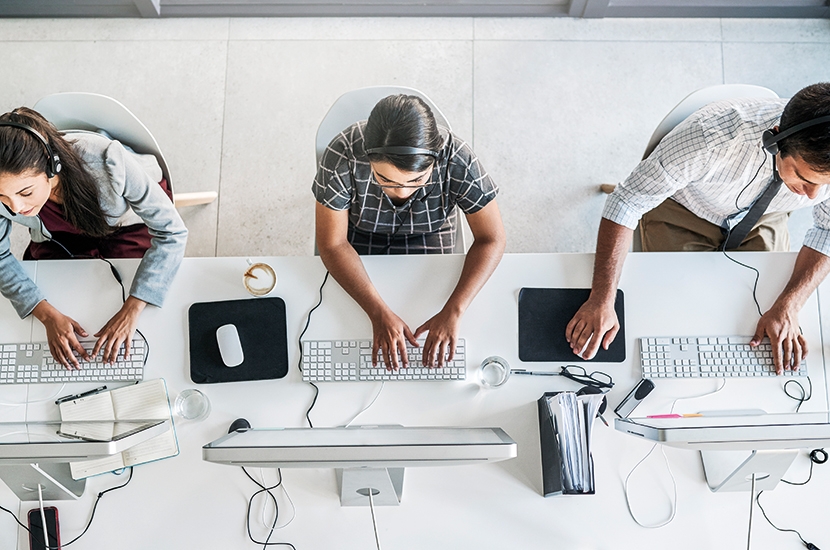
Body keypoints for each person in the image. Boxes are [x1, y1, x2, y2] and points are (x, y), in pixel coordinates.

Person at [566, 82, 830, 374]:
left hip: (766, 216)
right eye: (804, 178)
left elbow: (827, 230)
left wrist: (790, 305)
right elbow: (627, 203)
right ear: (775, 141)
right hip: (687, 208)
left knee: (755, 317)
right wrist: (601, 299)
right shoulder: (709, 138)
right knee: (678, 312)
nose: (812, 196)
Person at [314, 94, 505, 370]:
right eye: (385, 179)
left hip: (430, 234)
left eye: (417, 180)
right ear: (367, 157)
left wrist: (454, 309)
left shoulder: (457, 157)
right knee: (346, 324)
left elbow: (493, 238)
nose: (401, 192)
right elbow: (332, 244)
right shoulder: (342, 154)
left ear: (436, 157)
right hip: (357, 236)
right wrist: (377, 313)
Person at [0, 107, 188, 368]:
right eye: (2, 198)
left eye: (26, 192)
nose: (16, 208)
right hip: (59, 234)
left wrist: (132, 309)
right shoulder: (8, 194)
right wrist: (45, 314)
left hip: (124, 225)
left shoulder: (106, 160)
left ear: (51, 167)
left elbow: (172, 231)